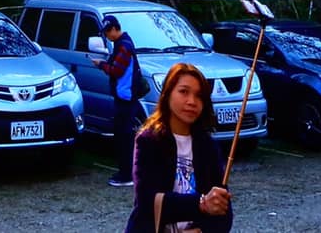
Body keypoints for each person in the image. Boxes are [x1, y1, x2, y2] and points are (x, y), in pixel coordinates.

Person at [124, 62, 234, 233]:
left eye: (199, 96)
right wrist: (201, 203)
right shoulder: (149, 140)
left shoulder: (208, 146)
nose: (192, 101)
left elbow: (222, 209)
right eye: (183, 92)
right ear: (168, 94)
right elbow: (146, 200)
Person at [95, 13, 146, 186]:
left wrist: (101, 65)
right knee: (123, 136)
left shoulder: (124, 46)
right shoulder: (122, 44)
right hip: (124, 97)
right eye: (106, 31)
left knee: (124, 138)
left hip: (126, 99)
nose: (107, 35)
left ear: (116, 28)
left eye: (109, 30)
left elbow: (116, 70)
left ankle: (127, 175)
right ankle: (126, 172)